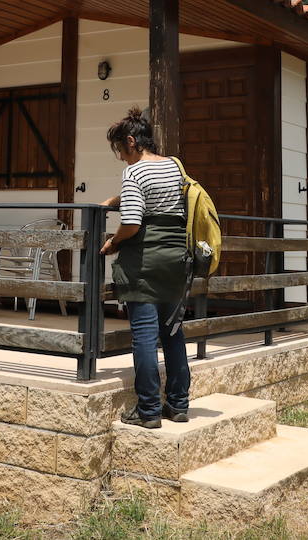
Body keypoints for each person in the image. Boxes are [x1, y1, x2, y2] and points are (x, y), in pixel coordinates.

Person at [99, 107, 191, 429]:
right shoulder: (174, 167)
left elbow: (134, 223)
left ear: (131, 141)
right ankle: (178, 405)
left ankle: (149, 410)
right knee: (173, 333)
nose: (122, 158)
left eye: (121, 151)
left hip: (145, 263)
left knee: (144, 336)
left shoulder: (134, 173)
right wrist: (117, 198)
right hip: (176, 260)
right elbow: (161, 203)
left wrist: (114, 242)